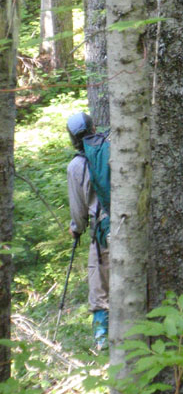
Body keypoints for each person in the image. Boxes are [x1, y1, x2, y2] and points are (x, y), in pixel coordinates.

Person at [66, 112, 109, 349]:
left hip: (101, 234)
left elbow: (78, 210)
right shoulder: (110, 149)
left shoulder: (76, 166)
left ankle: (103, 344)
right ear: (93, 127)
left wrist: (76, 229)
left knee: (100, 292)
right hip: (128, 224)